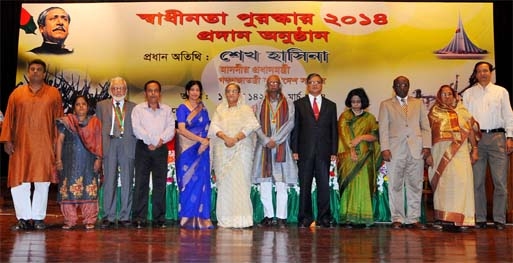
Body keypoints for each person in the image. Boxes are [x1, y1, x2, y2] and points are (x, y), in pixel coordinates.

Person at [0, 59, 64, 230]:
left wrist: (58, 145)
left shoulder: (54, 93)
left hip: (44, 144)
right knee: (19, 182)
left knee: (42, 181)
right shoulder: (17, 94)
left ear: (44, 74)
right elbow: (8, 118)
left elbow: (59, 122)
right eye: (32, 69)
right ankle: (23, 218)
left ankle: (37, 218)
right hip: (20, 144)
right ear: (29, 73)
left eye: (39, 69)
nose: (35, 72)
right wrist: (7, 140)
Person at [461, 61, 513, 230]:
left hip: (498, 137)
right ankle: (481, 218)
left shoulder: (501, 92)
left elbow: (508, 115)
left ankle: (499, 219)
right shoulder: (468, 94)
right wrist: (470, 143)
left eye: (485, 70)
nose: (482, 73)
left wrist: (510, 137)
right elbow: (465, 120)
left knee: (500, 182)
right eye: (479, 71)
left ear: (490, 73)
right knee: (477, 182)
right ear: (475, 74)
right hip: (477, 140)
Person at [378, 75, 432, 230]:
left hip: (416, 150)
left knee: (415, 184)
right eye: (399, 85)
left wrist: (427, 145)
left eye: (405, 84)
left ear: (409, 86)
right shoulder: (386, 104)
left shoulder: (418, 103)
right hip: (394, 151)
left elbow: (425, 126)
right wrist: (385, 148)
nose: (402, 87)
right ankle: (397, 218)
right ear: (394, 88)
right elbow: (383, 129)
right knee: (395, 185)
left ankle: (413, 218)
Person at [428, 85, 480, 232]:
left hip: (461, 152)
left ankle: (463, 219)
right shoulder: (434, 111)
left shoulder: (462, 110)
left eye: (449, 94)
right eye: (443, 94)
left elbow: (470, 131)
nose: (447, 96)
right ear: (439, 95)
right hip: (439, 152)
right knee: (443, 185)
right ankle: (443, 218)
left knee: (462, 183)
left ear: (454, 95)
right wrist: (427, 154)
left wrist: (475, 149)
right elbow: (427, 134)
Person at [208, 82, 260, 228]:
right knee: (225, 185)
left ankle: (242, 219)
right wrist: (226, 138)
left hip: (241, 150)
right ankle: (226, 218)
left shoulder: (245, 109)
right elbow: (214, 127)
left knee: (241, 183)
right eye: (228, 91)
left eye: (234, 91)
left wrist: (235, 139)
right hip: (223, 152)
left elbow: (251, 126)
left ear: (239, 93)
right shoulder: (220, 109)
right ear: (225, 94)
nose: (231, 94)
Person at [291, 73, 338, 228]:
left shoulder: (331, 105)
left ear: (322, 84)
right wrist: (295, 149)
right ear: (307, 84)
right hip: (305, 152)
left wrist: (334, 151)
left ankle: (324, 218)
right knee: (305, 185)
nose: (315, 85)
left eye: (318, 82)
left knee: (324, 185)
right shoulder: (298, 104)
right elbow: (295, 129)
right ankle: (305, 217)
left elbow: (334, 130)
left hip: (324, 152)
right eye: (311, 82)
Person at [252, 75, 298, 228]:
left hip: (281, 148)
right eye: (270, 82)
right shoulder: (259, 104)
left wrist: (275, 140)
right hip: (264, 148)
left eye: (276, 82)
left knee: (281, 183)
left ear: (280, 85)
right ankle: (268, 216)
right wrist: (266, 140)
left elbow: (290, 123)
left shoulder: (289, 103)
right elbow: (255, 124)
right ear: (267, 85)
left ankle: (281, 217)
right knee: (265, 184)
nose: (273, 85)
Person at [131, 80, 175, 229]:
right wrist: (152, 140)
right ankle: (139, 217)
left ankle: (159, 218)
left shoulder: (167, 110)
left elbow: (171, 128)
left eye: (156, 90)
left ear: (160, 94)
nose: (153, 93)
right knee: (141, 184)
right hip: (143, 148)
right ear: (145, 93)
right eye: (150, 90)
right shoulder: (138, 109)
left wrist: (158, 141)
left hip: (161, 148)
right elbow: (137, 128)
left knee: (160, 184)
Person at [95, 77, 137, 228]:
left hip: (127, 145)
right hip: (109, 144)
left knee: (127, 181)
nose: (118, 91)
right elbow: (98, 129)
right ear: (110, 90)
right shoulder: (101, 106)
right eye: (115, 88)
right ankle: (109, 216)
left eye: (121, 88)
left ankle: (125, 216)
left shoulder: (134, 107)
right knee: (109, 181)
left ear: (126, 91)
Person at [55, 95, 102, 230]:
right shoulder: (67, 122)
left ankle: (89, 220)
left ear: (88, 107)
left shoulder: (94, 122)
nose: (81, 107)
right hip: (69, 162)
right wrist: (58, 159)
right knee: (68, 189)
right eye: (78, 104)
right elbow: (60, 140)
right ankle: (70, 220)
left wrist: (99, 159)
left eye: (84, 104)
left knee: (89, 188)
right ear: (74, 108)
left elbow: (99, 142)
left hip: (89, 161)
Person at [337, 88, 381, 228]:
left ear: (363, 102)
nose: (355, 104)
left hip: (366, 158)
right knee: (350, 185)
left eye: (358, 101)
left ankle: (364, 217)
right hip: (349, 158)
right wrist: (352, 151)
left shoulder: (370, 118)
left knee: (364, 187)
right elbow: (344, 136)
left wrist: (361, 137)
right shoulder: (344, 116)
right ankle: (348, 217)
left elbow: (374, 136)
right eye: (353, 101)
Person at [175, 80, 214, 230]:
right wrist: (200, 140)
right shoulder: (182, 108)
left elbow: (207, 128)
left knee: (202, 183)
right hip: (187, 150)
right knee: (188, 183)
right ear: (187, 91)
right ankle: (187, 218)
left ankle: (203, 218)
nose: (195, 92)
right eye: (192, 89)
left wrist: (206, 141)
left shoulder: (203, 109)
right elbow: (182, 129)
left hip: (202, 151)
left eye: (197, 90)